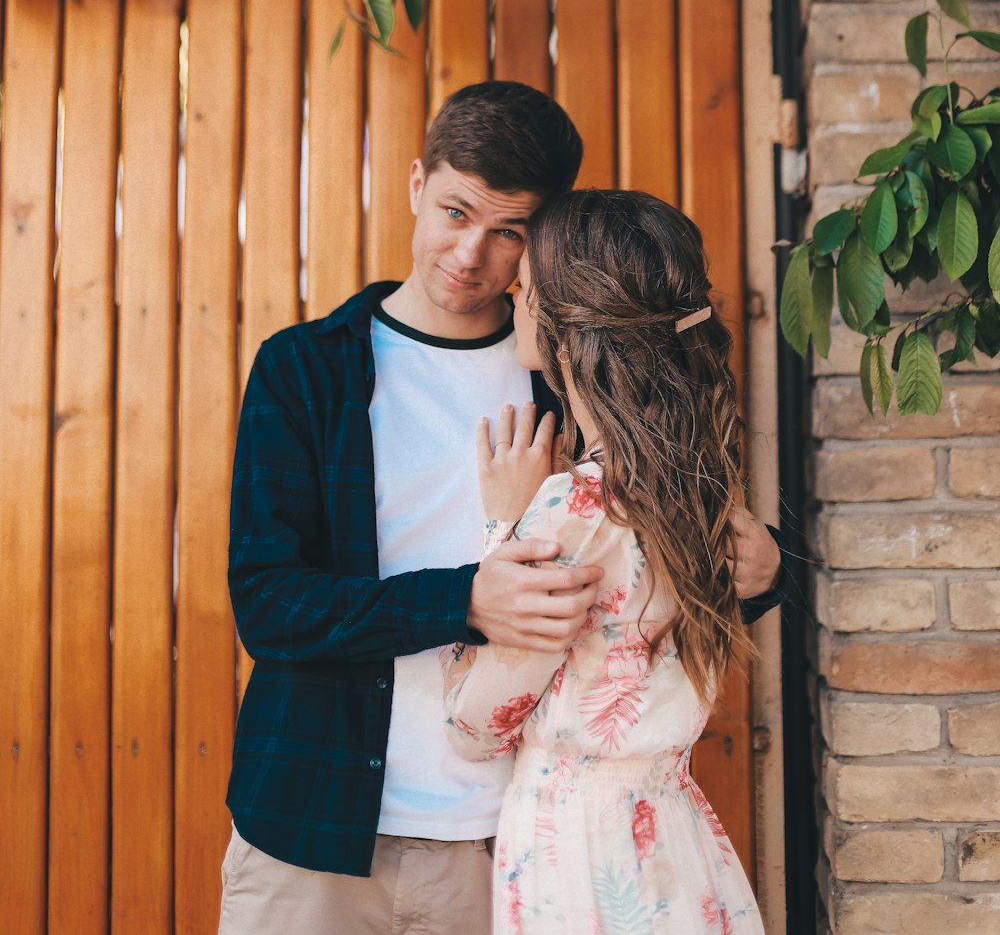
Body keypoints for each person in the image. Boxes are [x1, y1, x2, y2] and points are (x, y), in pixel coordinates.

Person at [219, 82, 785, 934]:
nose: (470, 254)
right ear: (417, 183)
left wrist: (765, 567)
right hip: (313, 835)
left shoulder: (567, 377)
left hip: (510, 848)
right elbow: (268, 604)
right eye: (454, 212)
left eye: (509, 231)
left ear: (542, 241)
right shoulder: (307, 368)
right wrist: (464, 599)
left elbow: (654, 553)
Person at [441, 189, 767, 933]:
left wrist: (506, 524)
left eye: (528, 288)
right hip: (676, 839)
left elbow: (474, 724)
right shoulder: (706, 491)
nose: (514, 296)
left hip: (583, 855)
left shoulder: (574, 514)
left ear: (564, 332)